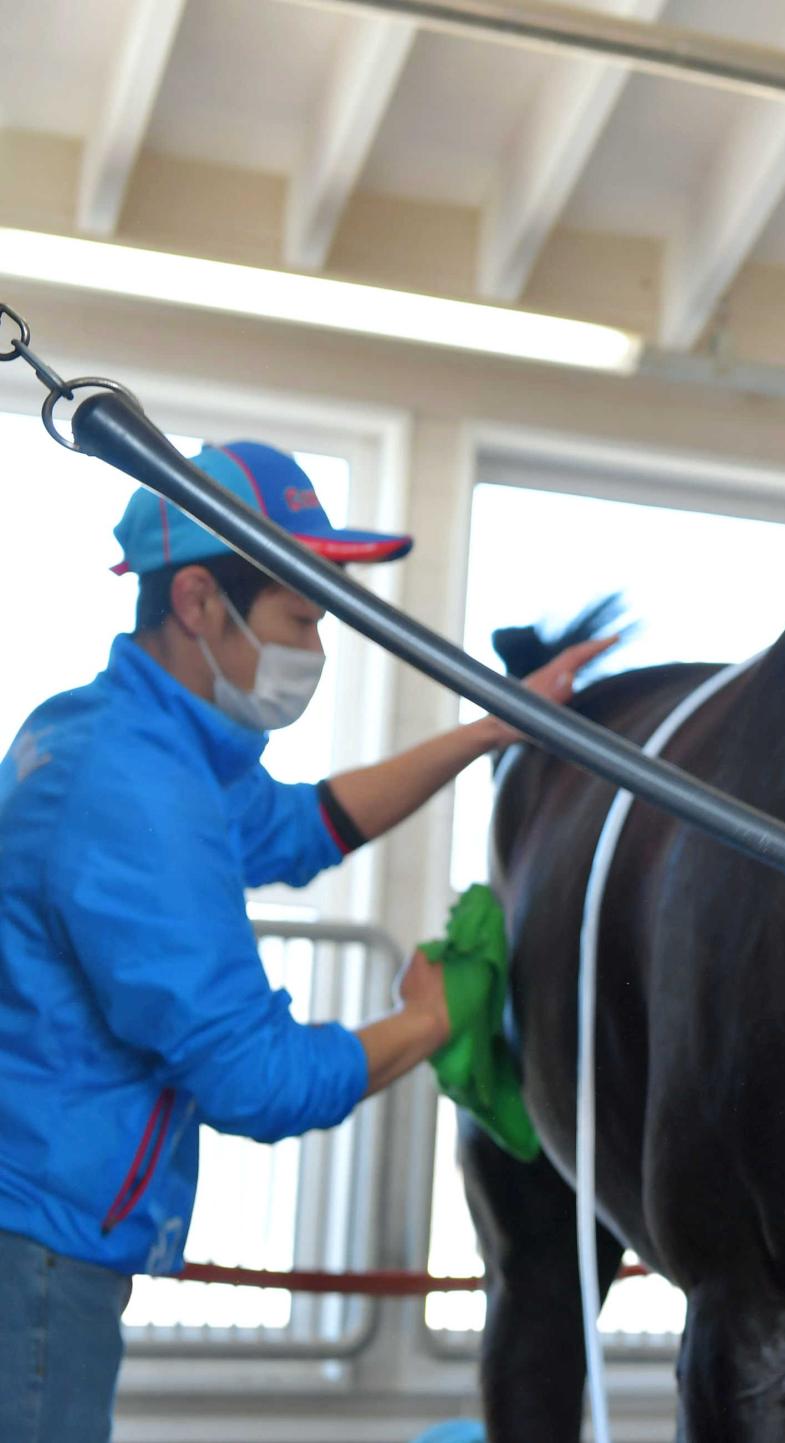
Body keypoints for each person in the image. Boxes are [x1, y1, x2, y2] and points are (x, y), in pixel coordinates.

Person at [0, 441, 609, 1443]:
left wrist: (490, 730)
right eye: (299, 618)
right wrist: (427, 1021)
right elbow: (257, 1079)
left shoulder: (124, 738)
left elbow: (292, 830)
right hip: (36, 1253)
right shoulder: (136, 790)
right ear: (198, 600)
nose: (314, 652)